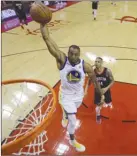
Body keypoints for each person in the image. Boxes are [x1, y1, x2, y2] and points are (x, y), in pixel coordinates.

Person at [40, 24, 104, 152]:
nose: (73, 56)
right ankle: (72, 140)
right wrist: (43, 25)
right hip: (66, 95)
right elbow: (47, 40)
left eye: (75, 54)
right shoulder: (62, 59)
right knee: (73, 120)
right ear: (68, 53)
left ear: (79, 54)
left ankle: (65, 114)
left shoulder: (85, 66)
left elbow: (95, 80)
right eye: (71, 53)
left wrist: (101, 94)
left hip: (78, 96)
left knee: (71, 112)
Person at [88, 57, 114, 124]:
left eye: (98, 62)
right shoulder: (93, 72)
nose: (96, 63)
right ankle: (98, 115)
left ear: (101, 63)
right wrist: (86, 88)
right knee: (98, 107)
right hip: (97, 92)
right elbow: (89, 81)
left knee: (108, 102)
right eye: (95, 61)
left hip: (106, 91)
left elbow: (112, 81)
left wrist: (106, 88)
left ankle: (107, 103)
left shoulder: (107, 71)